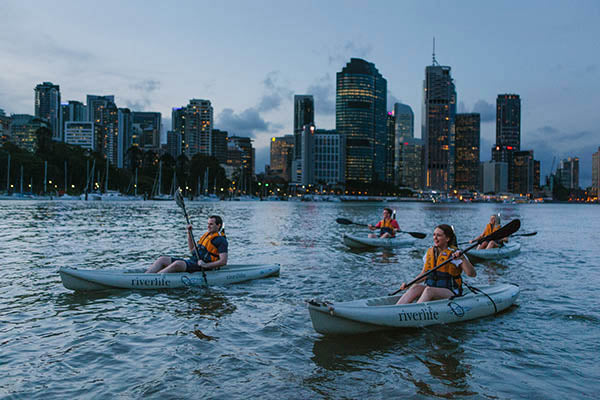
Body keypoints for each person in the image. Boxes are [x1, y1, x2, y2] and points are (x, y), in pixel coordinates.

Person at [396, 224, 475, 304]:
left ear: (447, 238)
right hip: (433, 289)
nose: (435, 238)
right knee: (415, 287)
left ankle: (415, 311)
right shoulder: (429, 252)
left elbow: (472, 274)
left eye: (439, 235)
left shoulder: (455, 254)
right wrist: (409, 284)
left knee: (429, 290)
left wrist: (463, 258)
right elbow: (424, 274)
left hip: (451, 292)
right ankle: (397, 309)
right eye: (434, 235)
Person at [146, 215, 228, 273]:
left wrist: (206, 265)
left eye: (211, 224)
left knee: (178, 264)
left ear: (218, 225)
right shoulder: (207, 236)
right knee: (162, 259)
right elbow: (192, 250)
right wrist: (189, 233)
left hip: (203, 267)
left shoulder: (221, 240)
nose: (208, 226)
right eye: (208, 224)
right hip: (193, 262)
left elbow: (223, 261)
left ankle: (156, 279)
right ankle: (146, 276)